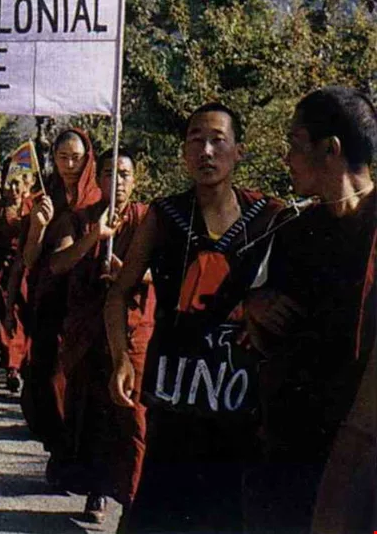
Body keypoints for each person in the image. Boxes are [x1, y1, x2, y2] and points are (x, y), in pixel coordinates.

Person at [106, 103, 283, 533]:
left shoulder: (270, 218)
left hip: (237, 399)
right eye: (196, 140)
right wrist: (121, 359)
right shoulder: (165, 216)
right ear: (184, 153)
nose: (206, 151)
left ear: (239, 151)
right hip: (175, 396)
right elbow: (118, 293)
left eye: (218, 141)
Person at [243, 86, 376, 533]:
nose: (287, 158)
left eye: (296, 144)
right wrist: (256, 308)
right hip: (288, 447)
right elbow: (265, 333)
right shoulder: (294, 230)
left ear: (330, 149)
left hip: (359, 451)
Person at [48, 150, 152, 523]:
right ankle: (98, 490)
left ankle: (134, 502)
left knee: (134, 420)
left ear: (135, 180)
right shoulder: (78, 219)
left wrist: (132, 274)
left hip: (132, 331)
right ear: (98, 179)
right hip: (89, 332)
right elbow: (58, 263)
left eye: (124, 174)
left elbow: (165, 270)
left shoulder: (147, 219)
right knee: (93, 415)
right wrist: (94, 236)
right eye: (109, 173)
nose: (117, 181)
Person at [21, 129, 101, 465]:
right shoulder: (44, 198)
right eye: (62, 157)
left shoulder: (99, 199)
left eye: (76, 158)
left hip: (89, 301)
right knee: (49, 378)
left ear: (88, 159)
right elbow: (29, 259)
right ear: (52, 159)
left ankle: (81, 458)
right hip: (52, 301)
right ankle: (59, 450)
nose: (69, 165)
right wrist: (38, 227)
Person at [0, 165, 35, 393]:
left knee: (26, 319)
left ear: (26, 184)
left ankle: (23, 365)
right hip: (2, 272)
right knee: (6, 318)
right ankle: (12, 367)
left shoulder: (34, 206)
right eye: (9, 183)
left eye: (17, 183)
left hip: (29, 272)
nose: (12, 188)